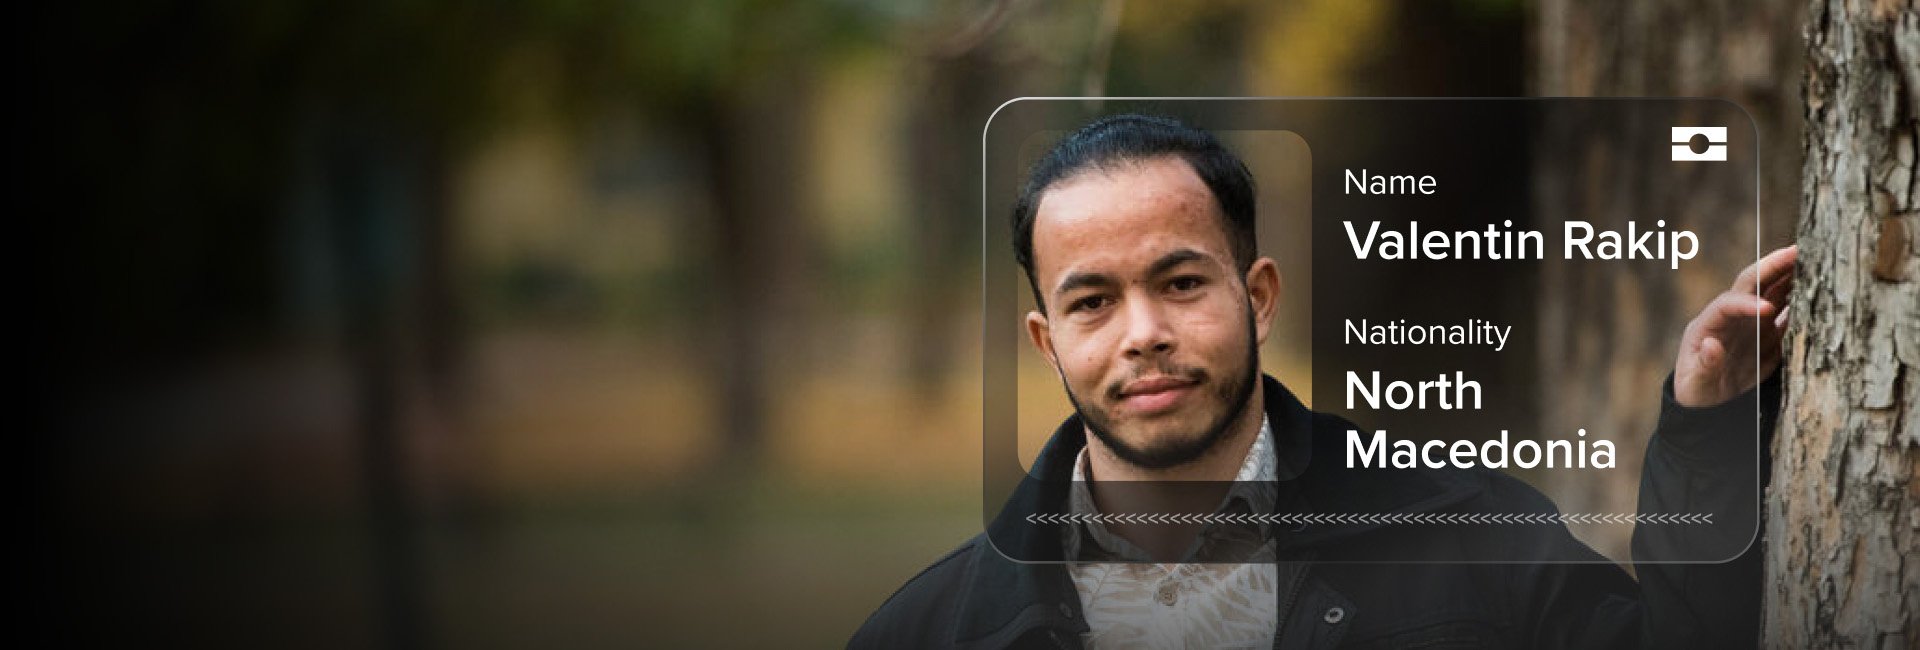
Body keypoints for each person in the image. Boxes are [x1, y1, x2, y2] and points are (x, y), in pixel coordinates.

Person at [851, 114, 1793, 649]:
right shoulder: (926, 632)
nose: (1143, 334)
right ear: (1047, 342)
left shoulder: (1472, 538)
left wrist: (1708, 434)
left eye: (1182, 284)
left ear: (1258, 298)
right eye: (1091, 302)